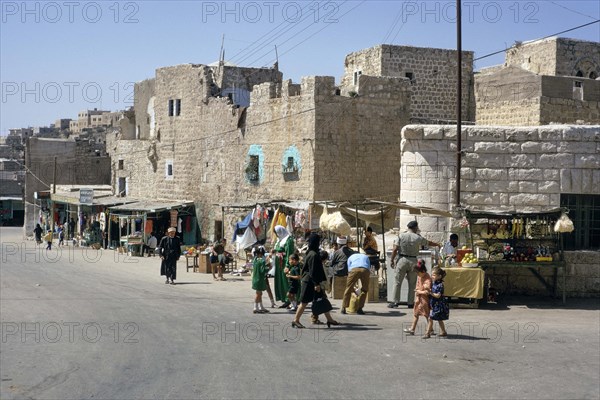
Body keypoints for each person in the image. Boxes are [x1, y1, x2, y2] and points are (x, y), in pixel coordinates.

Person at [292, 233, 339, 329]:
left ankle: (329, 320)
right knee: (304, 302)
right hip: (310, 282)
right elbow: (312, 271)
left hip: (312, 281)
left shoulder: (311, 253)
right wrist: (316, 284)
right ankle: (295, 320)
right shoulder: (313, 255)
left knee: (321, 300)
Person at [389, 221, 439, 309]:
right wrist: (437, 244)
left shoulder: (401, 236)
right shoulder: (417, 237)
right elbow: (427, 243)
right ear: (415, 228)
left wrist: (392, 260)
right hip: (413, 261)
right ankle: (410, 303)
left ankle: (395, 302)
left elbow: (395, 249)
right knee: (412, 283)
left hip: (402, 259)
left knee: (397, 282)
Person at [403, 260, 432, 336]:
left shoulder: (427, 279)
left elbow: (427, 292)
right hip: (418, 299)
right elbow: (417, 286)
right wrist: (417, 291)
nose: (417, 275)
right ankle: (412, 329)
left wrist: (419, 292)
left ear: (422, 271)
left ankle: (430, 329)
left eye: (418, 273)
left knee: (427, 315)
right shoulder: (419, 277)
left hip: (425, 300)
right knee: (416, 314)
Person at [424, 267, 449, 338]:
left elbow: (438, 295)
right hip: (434, 304)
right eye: (432, 275)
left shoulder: (440, 285)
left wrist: (430, 292)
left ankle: (427, 333)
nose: (432, 276)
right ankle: (443, 331)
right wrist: (427, 289)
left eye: (434, 275)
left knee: (430, 318)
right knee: (439, 319)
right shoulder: (434, 283)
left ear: (439, 276)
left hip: (438, 305)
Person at [274, 225, 295, 308]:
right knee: (281, 281)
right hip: (279, 264)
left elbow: (289, 253)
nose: (276, 234)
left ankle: (289, 300)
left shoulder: (288, 240)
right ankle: (284, 299)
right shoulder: (280, 240)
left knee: (286, 282)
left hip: (284, 264)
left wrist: (287, 265)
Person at [251, 246, 270, 314]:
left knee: (259, 293)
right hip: (260, 279)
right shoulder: (262, 261)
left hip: (255, 278)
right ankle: (255, 307)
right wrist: (268, 267)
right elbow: (263, 271)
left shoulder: (255, 259)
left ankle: (261, 306)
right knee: (258, 294)